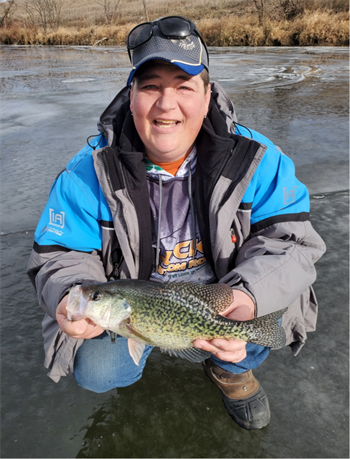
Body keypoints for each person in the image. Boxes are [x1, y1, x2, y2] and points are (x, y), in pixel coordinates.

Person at [27, 15, 326, 430]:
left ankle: (231, 369)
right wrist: (65, 296)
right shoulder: (86, 172)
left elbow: (290, 243)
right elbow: (62, 254)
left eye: (184, 87)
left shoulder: (256, 158)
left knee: (269, 313)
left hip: (225, 293)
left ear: (207, 98)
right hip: (141, 301)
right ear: (130, 97)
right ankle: (160, 350)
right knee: (97, 369)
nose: (166, 105)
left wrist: (246, 301)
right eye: (151, 86)